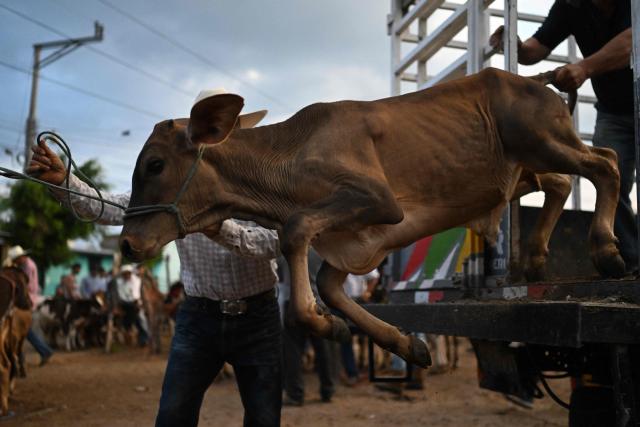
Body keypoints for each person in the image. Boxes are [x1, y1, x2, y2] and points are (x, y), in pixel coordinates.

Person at [27, 89, 282, 427]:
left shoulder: (261, 185)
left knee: (264, 420)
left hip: (258, 319)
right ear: (199, 136)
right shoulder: (169, 183)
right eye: (212, 129)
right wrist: (63, 182)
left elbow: (276, 243)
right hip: (198, 318)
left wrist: (218, 228)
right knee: (172, 417)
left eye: (226, 130)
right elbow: (109, 206)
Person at [490, 0, 636, 271]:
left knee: (609, 175)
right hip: (613, 111)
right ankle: (631, 263)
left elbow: (632, 42)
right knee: (613, 179)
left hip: (625, 103)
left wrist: (584, 68)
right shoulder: (571, 5)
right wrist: (515, 45)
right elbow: (535, 49)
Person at [281, 249, 335, 406]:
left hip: (294, 302)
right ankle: (328, 389)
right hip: (318, 304)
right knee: (323, 350)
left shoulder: (287, 252)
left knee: (293, 352)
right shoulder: (322, 252)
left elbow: (278, 273)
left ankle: (295, 394)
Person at [4, 246, 53, 366]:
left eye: (16, 260)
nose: (15, 262)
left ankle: (43, 351)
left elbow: (26, 286)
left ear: (20, 258)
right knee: (23, 331)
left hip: (27, 300)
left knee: (24, 330)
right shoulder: (26, 265)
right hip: (27, 299)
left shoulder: (27, 267)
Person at [339, 269, 379, 386]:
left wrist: (368, 292)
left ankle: (371, 371)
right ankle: (352, 373)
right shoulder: (335, 257)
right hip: (343, 302)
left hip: (361, 302)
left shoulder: (360, 256)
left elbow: (374, 276)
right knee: (345, 338)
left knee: (372, 334)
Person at [116, 264, 148, 346]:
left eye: (128, 273)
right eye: (125, 273)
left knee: (141, 320)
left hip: (136, 304)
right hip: (125, 305)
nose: (127, 275)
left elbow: (136, 294)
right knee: (126, 321)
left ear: (131, 273)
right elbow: (121, 296)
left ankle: (143, 339)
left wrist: (137, 303)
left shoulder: (136, 280)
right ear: (123, 274)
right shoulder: (119, 283)